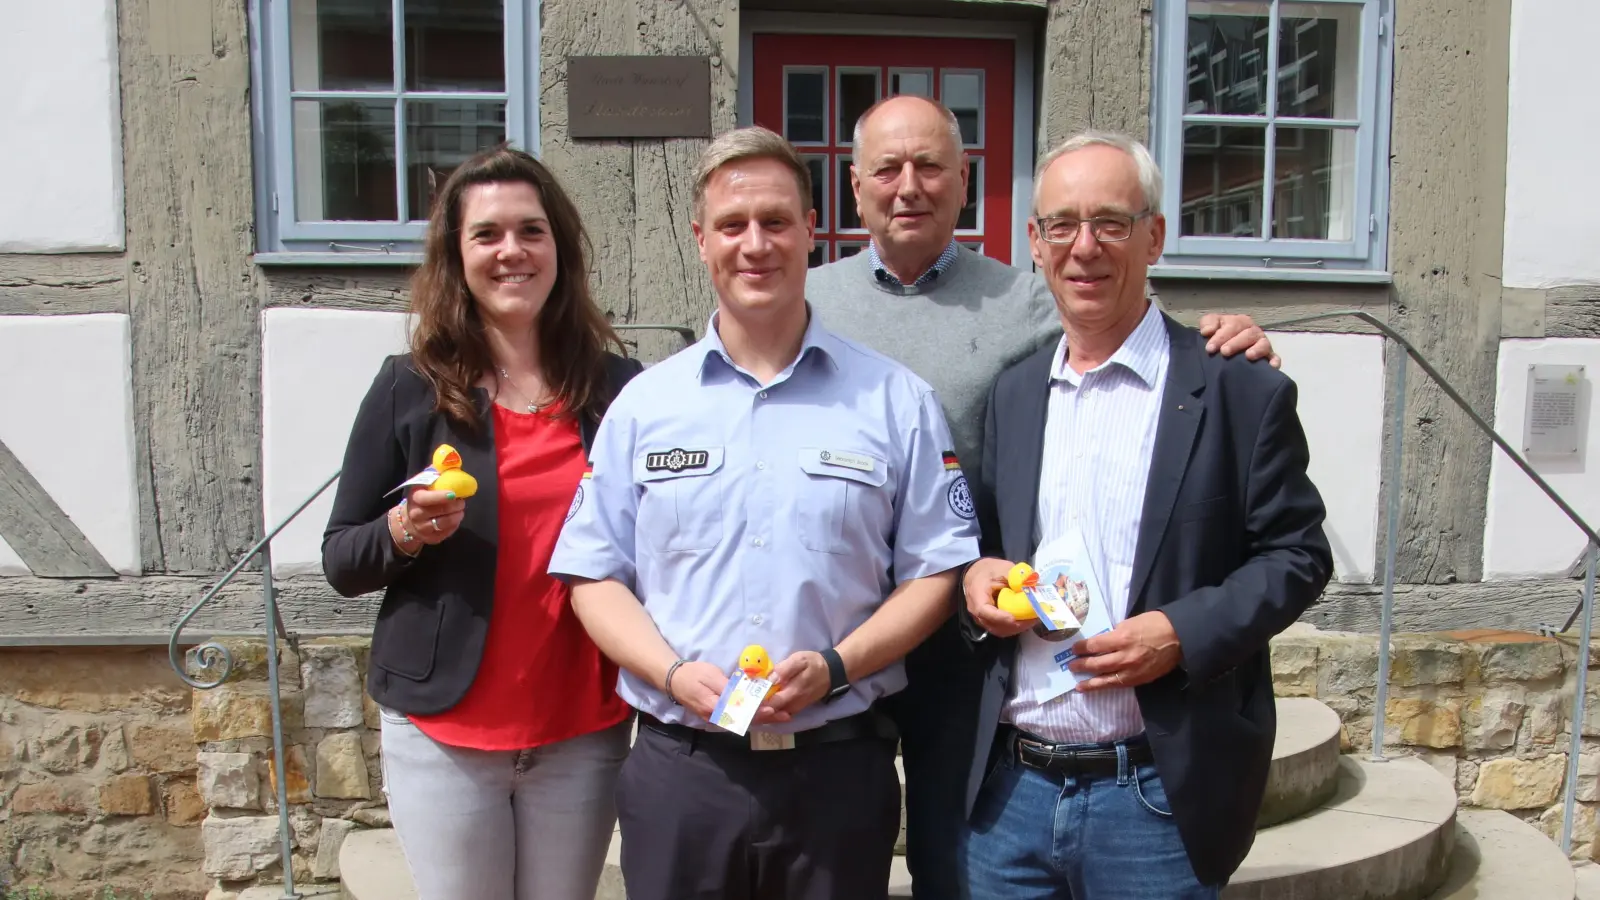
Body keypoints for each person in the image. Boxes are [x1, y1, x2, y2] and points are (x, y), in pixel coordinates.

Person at [803, 94, 1280, 899]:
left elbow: (1125, 329)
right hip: (828, 640)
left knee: (946, 869)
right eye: (888, 168)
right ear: (856, 187)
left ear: (965, 184)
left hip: (972, 657)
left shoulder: (1029, 301)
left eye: (931, 166)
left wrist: (1228, 341)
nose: (908, 185)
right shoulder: (804, 302)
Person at [547, 125, 979, 900]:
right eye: (733, 225)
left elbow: (937, 572)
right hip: (685, 774)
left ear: (812, 230)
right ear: (701, 241)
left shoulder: (893, 400)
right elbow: (592, 576)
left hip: (837, 772)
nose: (756, 244)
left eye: (777, 221)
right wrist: (674, 675)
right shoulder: (645, 406)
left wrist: (840, 666)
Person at [958, 131, 1333, 898]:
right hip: (1012, 796)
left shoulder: (1238, 390)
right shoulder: (1015, 393)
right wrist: (977, 580)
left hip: (1155, 798)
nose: (1084, 247)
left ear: (1154, 235)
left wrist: (1181, 633)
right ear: (1034, 242)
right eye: (1061, 224)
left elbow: (1297, 554)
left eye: (1111, 223)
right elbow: (987, 549)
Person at [321, 145, 642, 900]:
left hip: (581, 725)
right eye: (487, 234)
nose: (512, 252)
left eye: (531, 230)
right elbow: (342, 558)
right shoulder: (410, 387)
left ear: (559, 245)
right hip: (446, 731)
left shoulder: (617, 389)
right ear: (456, 256)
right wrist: (406, 530)